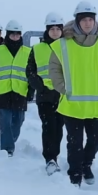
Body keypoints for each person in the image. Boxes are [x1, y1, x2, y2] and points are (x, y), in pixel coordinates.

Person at [47, 1, 98, 186]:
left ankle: (86, 164)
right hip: (73, 103)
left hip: (97, 103)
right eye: (84, 20)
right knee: (75, 142)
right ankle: (75, 175)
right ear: (77, 21)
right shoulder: (63, 45)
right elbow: (54, 69)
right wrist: (63, 88)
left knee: (97, 138)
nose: (88, 23)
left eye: (90, 19)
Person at [0, 20, 37, 157]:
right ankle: (7, 148)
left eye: (17, 34)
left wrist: (31, 90)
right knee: (5, 122)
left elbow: (32, 74)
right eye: (12, 34)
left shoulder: (28, 52)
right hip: (2, 92)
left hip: (20, 92)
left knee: (18, 122)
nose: (15, 37)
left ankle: (10, 141)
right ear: (8, 35)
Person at [32, 12, 66, 174]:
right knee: (49, 127)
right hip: (45, 96)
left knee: (58, 128)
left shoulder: (68, 47)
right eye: (52, 29)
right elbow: (30, 71)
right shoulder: (37, 49)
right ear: (47, 30)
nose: (55, 32)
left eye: (58, 29)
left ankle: (54, 156)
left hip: (63, 96)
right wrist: (40, 87)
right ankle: (50, 159)